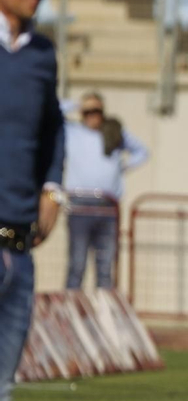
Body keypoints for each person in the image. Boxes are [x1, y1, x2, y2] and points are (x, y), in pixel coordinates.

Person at [0, 0, 64, 401]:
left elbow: (52, 129)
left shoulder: (42, 54)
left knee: (2, 395)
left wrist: (52, 187)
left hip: (19, 250)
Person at [61, 93, 147, 290]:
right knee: (77, 264)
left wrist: (123, 166)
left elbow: (142, 151)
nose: (93, 115)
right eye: (88, 111)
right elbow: (51, 110)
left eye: (97, 111)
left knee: (105, 267)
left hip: (107, 207)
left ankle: (103, 306)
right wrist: (77, 104)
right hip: (80, 206)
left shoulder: (113, 132)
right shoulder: (72, 131)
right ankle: (72, 304)